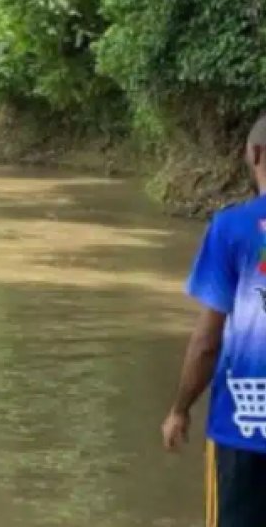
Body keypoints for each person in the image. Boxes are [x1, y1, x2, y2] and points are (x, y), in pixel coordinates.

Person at [162, 114, 266, 527]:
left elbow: (207, 341)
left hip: (244, 426)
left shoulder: (231, 229)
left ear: (254, 153)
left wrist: (179, 409)